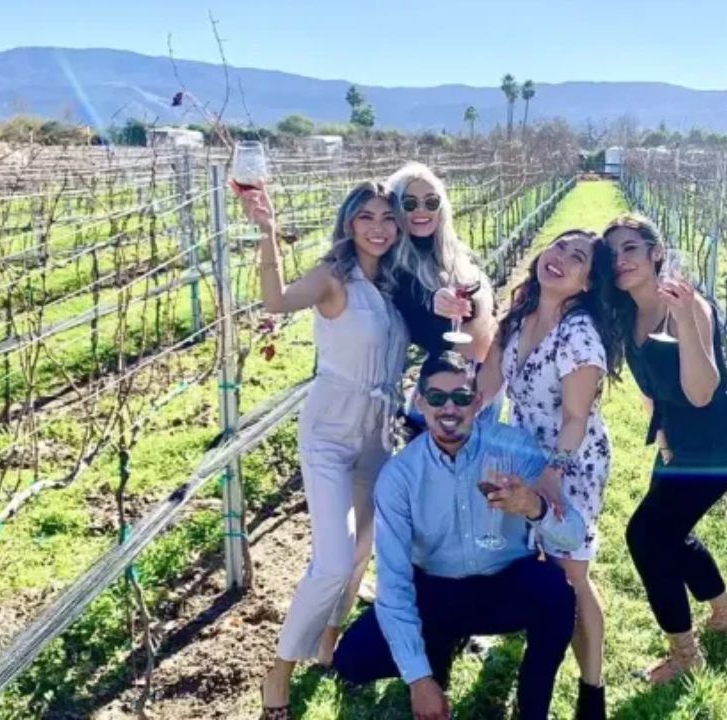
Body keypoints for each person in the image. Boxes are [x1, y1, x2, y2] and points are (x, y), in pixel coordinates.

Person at [235, 180, 409, 718]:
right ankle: (279, 672)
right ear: (349, 223)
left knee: (361, 550)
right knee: (333, 559)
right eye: (366, 217)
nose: (378, 227)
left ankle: (328, 641)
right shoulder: (335, 278)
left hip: (379, 433)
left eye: (387, 217)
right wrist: (267, 234)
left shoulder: (402, 282)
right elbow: (276, 300)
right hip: (331, 429)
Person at [333, 351, 584, 720]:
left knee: (556, 594)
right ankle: (437, 650)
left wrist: (534, 506)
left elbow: (573, 534)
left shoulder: (514, 447)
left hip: (503, 584)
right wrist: (418, 680)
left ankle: (532, 707)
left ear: (478, 401)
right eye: (436, 397)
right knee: (353, 662)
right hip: (435, 590)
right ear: (420, 402)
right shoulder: (399, 477)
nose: (449, 408)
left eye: (462, 397)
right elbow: (394, 583)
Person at [603, 213, 727, 683]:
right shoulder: (627, 313)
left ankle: (686, 657)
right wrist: (664, 434)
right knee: (670, 528)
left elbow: (700, 392)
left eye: (630, 248)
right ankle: (726, 615)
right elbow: (652, 387)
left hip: (721, 441)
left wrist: (688, 317)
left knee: (647, 536)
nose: (620, 260)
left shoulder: (689, 308)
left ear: (656, 252)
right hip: (680, 440)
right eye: (611, 253)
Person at [475, 229, 621, 720]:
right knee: (521, 555)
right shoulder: (521, 313)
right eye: (558, 247)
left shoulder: (578, 335)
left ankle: (591, 690)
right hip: (521, 452)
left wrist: (553, 474)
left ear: (585, 282)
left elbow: (576, 418)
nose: (560, 258)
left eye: (577, 258)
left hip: (571, 462)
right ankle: (530, 638)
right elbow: (489, 381)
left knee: (571, 575)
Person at [385, 162, 501, 437]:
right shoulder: (393, 266)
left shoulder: (456, 256)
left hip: (485, 382)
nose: (421, 211)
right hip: (446, 395)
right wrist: (434, 302)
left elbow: (482, 313)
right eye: (410, 203)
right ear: (397, 209)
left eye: (431, 201)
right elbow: (412, 305)